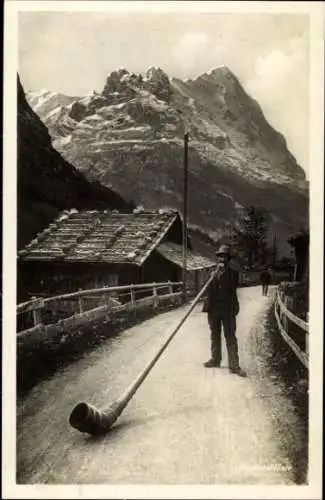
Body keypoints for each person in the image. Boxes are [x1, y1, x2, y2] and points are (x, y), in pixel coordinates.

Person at [202, 245, 246, 377]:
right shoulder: (211, 272)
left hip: (228, 309)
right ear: (218, 258)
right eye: (220, 256)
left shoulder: (233, 273)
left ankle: (234, 365)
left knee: (230, 336)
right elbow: (205, 288)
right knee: (214, 334)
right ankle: (215, 359)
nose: (222, 259)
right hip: (213, 309)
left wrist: (222, 273)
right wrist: (213, 276)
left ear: (228, 259)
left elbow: (233, 285)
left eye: (225, 257)